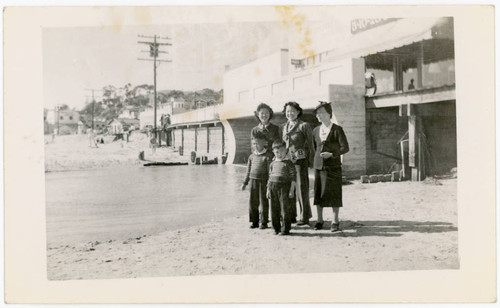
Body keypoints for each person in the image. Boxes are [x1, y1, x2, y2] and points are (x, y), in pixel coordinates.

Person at [312, 101, 349, 232]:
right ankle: (320, 220)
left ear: (329, 114)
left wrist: (332, 154)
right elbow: (314, 148)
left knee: (334, 194)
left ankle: (335, 220)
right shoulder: (316, 130)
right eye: (317, 114)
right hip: (319, 167)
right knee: (318, 194)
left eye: (321, 113)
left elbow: (345, 148)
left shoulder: (337, 129)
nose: (319, 116)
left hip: (333, 167)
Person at [281, 101, 314, 225]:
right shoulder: (284, 127)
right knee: (290, 188)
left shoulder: (304, 126)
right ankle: (291, 215)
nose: (290, 113)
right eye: (288, 111)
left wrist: (310, 160)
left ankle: (304, 217)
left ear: (298, 112)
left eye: (293, 111)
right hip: (288, 162)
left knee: (301, 188)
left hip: (300, 162)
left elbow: (311, 144)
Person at [241, 132, 274, 229]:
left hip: (263, 182)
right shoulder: (251, 156)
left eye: (258, 143)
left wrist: (269, 185)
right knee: (253, 202)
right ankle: (254, 221)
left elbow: (270, 172)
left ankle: (264, 222)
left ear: (264, 143)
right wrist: (244, 182)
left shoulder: (268, 156)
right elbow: (248, 170)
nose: (256, 145)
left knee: (264, 202)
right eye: (254, 143)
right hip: (253, 181)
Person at [266, 140, 296, 235]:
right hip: (272, 186)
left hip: (284, 187)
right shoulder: (272, 163)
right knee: (274, 209)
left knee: (285, 208)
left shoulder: (289, 163)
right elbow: (269, 177)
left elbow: (293, 179)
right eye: (277, 152)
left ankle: (285, 229)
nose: (279, 154)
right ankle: (276, 228)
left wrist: (291, 190)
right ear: (273, 152)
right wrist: (268, 190)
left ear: (286, 151)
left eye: (282, 151)